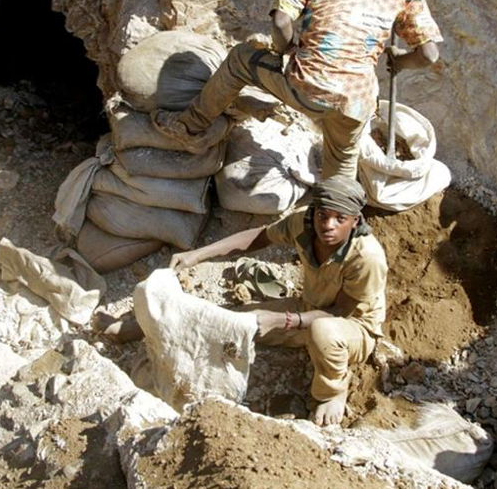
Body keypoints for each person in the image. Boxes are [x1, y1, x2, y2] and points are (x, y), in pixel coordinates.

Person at [151, 0, 443, 179]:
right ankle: (338, 205)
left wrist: (285, 49)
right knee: (340, 171)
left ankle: (189, 127)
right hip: (356, 102)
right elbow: (429, 55)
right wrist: (400, 61)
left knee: (240, 59)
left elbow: (281, 21)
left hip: (308, 86)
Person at [97, 176, 387, 427]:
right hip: (308, 307)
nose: (328, 225)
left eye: (339, 219)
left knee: (323, 332)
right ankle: (144, 326)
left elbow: (340, 311)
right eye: (323, 215)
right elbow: (260, 237)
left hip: (351, 327)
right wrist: (198, 255)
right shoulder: (305, 223)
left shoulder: (367, 258)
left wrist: (285, 320)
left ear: (355, 221)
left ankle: (332, 392)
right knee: (232, 322)